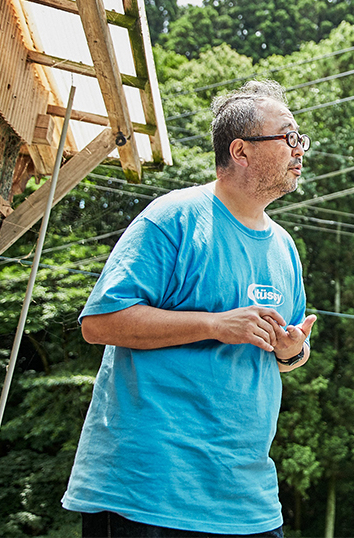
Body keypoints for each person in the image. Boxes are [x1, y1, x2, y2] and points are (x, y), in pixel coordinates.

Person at [61, 81, 316, 537]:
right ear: (241, 150)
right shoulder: (173, 217)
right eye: (289, 137)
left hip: (246, 499)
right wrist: (215, 325)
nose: (300, 150)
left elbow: (287, 358)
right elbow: (100, 323)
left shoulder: (284, 247)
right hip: (147, 489)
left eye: (301, 139)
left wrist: (290, 350)